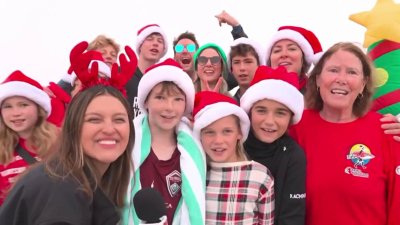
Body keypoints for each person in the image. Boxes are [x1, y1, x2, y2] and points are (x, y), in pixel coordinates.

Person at [0, 58, 135, 224]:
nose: (109, 128)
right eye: (94, 119)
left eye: (119, 119)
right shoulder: (59, 191)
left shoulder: (86, 180)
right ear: (73, 126)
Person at [289, 42, 400, 225]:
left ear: (364, 83)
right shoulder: (296, 126)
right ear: (317, 79)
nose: (342, 79)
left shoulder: (386, 130)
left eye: (352, 72)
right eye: (333, 70)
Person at [121, 58, 206, 225]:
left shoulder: (195, 147)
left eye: (177, 99)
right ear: (145, 100)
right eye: (160, 98)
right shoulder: (126, 144)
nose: (169, 107)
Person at [192, 91, 274, 225]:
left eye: (227, 131)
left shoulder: (260, 175)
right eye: (209, 132)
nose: (218, 140)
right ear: (199, 135)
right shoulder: (195, 173)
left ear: (239, 133)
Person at [240, 65, 306, 225]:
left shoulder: (293, 156)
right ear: (249, 112)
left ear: (291, 117)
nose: (269, 121)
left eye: (280, 113)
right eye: (261, 111)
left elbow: (292, 216)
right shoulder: (235, 146)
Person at [0, 70, 59, 205]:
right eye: (7, 106)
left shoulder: (61, 142)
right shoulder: (2, 150)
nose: (15, 113)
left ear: (39, 109)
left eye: (23, 105)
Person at [125, 24, 168, 117]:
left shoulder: (164, 80)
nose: (155, 43)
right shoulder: (124, 73)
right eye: (150, 39)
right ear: (140, 45)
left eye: (160, 41)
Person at [265, 26, 323, 93]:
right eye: (277, 50)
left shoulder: (318, 94)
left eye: (292, 49)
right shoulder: (258, 91)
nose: (284, 54)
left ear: (303, 58)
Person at [228, 37, 265, 102]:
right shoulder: (227, 105)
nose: (242, 68)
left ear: (259, 66)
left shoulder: (271, 100)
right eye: (236, 62)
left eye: (248, 62)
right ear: (231, 69)